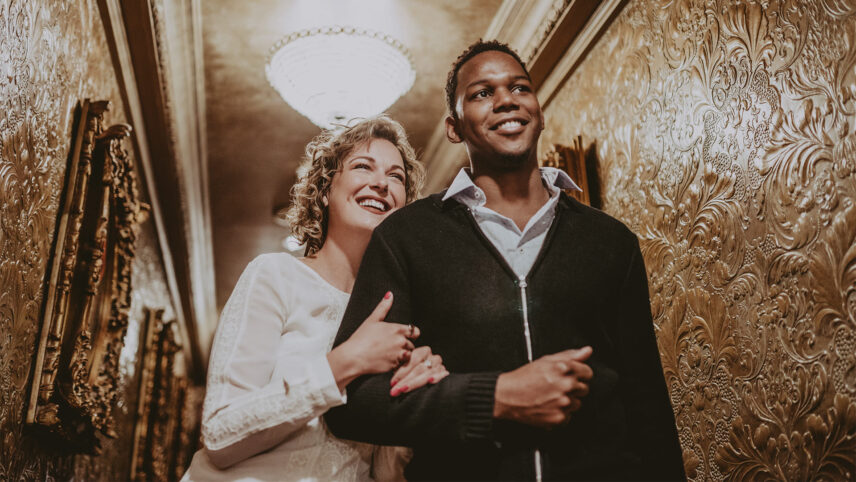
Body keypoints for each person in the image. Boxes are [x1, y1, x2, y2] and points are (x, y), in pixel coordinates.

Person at [325, 40, 685, 480]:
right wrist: (495, 396)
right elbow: (353, 405)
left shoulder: (611, 241)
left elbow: (647, 403)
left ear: (538, 108)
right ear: (454, 127)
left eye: (519, 87)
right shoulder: (406, 237)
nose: (506, 100)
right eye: (482, 93)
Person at [182, 116, 448, 481]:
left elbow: (384, 473)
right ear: (325, 189)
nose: (381, 183)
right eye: (362, 167)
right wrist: (345, 363)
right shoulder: (275, 275)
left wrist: (416, 400)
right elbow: (219, 433)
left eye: (396, 176)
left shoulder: (400, 316)